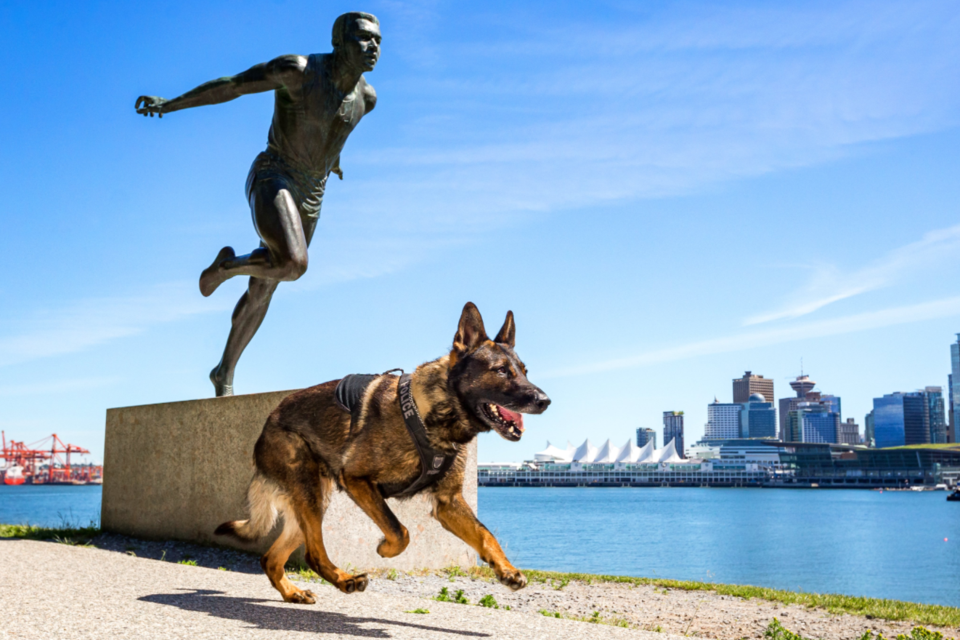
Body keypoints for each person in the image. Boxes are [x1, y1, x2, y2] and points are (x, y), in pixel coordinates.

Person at [135, 12, 381, 396]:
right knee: (293, 263)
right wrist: (170, 105)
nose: (374, 48)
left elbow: (333, 129)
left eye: (378, 41)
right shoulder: (297, 71)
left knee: (266, 287)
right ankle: (226, 268)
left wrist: (333, 162)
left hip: (311, 194)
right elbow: (232, 86)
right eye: (364, 39)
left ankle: (224, 372)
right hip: (274, 174)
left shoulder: (367, 99)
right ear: (339, 42)